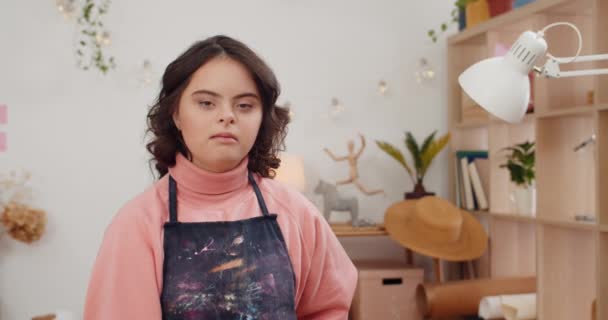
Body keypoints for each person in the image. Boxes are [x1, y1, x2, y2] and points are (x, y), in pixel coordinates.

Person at [83, 35, 357, 319]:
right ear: (176, 114)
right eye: (206, 103)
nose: (227, 116)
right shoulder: (138, 223)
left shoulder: (296, 213)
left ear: (262, 117)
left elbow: (328, 310)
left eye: (244, 105)